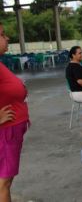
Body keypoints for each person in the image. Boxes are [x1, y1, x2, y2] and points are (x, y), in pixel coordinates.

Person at [0, 22, 30, 202]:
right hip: (6, 132)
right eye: (2, 34)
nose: (7, 38)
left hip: (10, 131)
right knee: (3, 183)